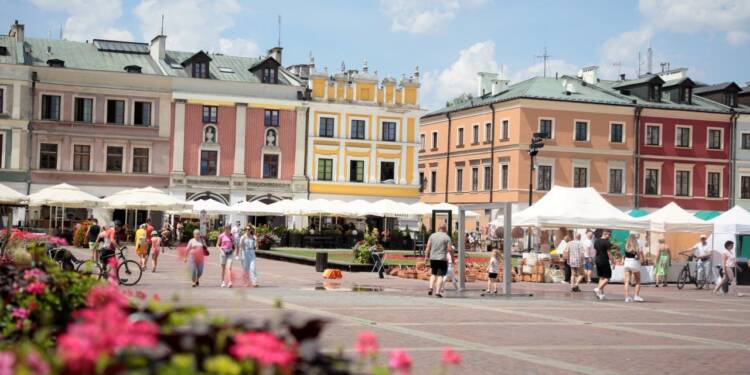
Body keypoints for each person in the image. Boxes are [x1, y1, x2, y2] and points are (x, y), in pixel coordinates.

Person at [424, 224, 453, 298]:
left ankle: (430, 288)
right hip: (442, 258)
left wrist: (426, 257)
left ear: (438, 228)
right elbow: (450, 249)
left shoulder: (432, 236)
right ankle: (437, 292)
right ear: (445, 229)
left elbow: (427, 247)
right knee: (440, 275)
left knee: (433, 273)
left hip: (433, 258)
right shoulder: (447, 237)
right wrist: (452, 257)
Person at [623, 234, 644, 302]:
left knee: (626, 281)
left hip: (626, 262)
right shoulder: (636, 246)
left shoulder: (626, 246)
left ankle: (627, 297)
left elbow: (624, 255)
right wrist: (640, 258)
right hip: (634, 263)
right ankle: (636, 296)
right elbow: (638, 256)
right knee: (638, 280)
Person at [593, 230, 613, 300]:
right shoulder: (607, 242)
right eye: (609, 235)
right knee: (607, 278)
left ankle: (601, 294)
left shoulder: (596, 241)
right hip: (604, 260)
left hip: (597, 260)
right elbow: (609, 253)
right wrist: (613, 261)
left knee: (601, 277)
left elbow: (596, 251)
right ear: (605, 234)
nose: (610, 237)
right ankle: (598, 289)